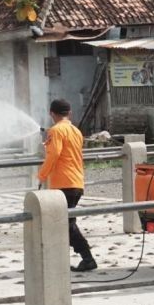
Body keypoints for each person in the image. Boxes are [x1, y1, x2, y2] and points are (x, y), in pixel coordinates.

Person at [38, 99, 97, 272]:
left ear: (51, 114)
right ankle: (62, 257)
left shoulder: (56, 130)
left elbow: (54, 154)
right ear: (69, 113)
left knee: (65, 223)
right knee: (64, 221)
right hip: (76, 181)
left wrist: (42, 175)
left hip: (64, 182)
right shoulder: (75, 131)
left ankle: (87, 257)